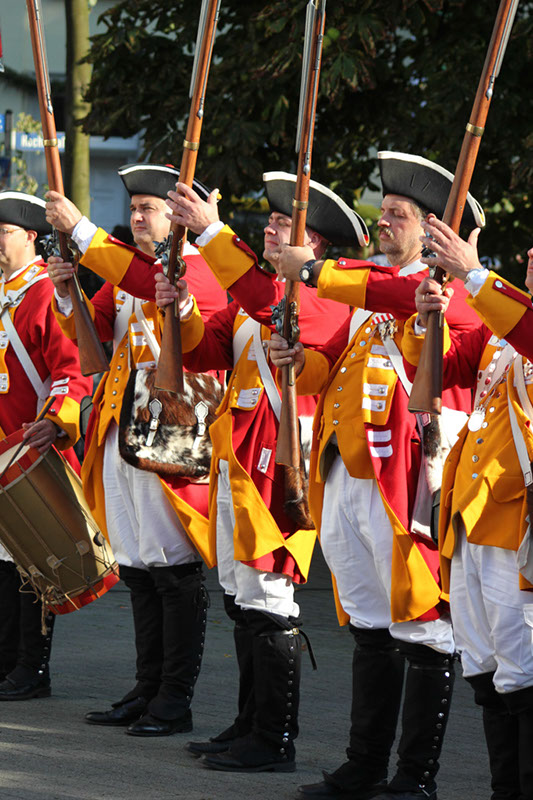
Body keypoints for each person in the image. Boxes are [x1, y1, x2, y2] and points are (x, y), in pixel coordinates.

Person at [268, 152, 485, 800]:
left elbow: (406, 307)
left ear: (433, 232)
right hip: (349, 475)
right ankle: (364, 764)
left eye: (399, 215)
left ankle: (413, 776)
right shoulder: (368, 291)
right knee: (367, 625)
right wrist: (294, 358)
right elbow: (325, 372)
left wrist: (312, 270)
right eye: (384, 213)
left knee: (423, 625)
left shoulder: (447, 293)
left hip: (406, 484)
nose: (384, 221)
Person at [154, 171, 367, 772]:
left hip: (280, 467)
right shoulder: (262, 295)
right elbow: (202, 348)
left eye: (283, 224)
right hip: (237, 463)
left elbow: (275, 312)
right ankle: (251, 722)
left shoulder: (319, 295)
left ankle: (274, 738)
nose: (270, 229)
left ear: (315, 246)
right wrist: (185, 306)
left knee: (271, 598)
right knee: (243, 598)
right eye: (270, 223)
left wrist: (212, 234)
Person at [44, 164, 228, 736]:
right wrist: (66, 287)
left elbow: (162, 295)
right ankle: (148, 687)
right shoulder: (128, 272)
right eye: (137, 207)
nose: (138, 216)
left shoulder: (197, 269)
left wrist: (82, 235)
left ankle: (175, 697)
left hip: (172, 435)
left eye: (150, 207)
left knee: (173, 570)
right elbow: (89, 334)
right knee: (140, 568)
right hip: (121, 434)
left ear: (179, 216)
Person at [403, 215, 533, 800]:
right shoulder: (503, 330)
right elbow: (446, 369)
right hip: (472, 515)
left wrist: (475, 274)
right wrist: (428, 315)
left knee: (524, 670)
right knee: (485, 667)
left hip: (518, 525)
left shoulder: (519, 323)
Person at [0, 191, 92, 700]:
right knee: (1, 563)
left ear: (31, 236)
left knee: (33, 561)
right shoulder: (4, 292)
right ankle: (6, 660)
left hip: (31, 450)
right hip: (1, 450)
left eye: (4, 231)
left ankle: (31, 669)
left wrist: (57, 420)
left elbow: (70, 368)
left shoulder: (44, 292)